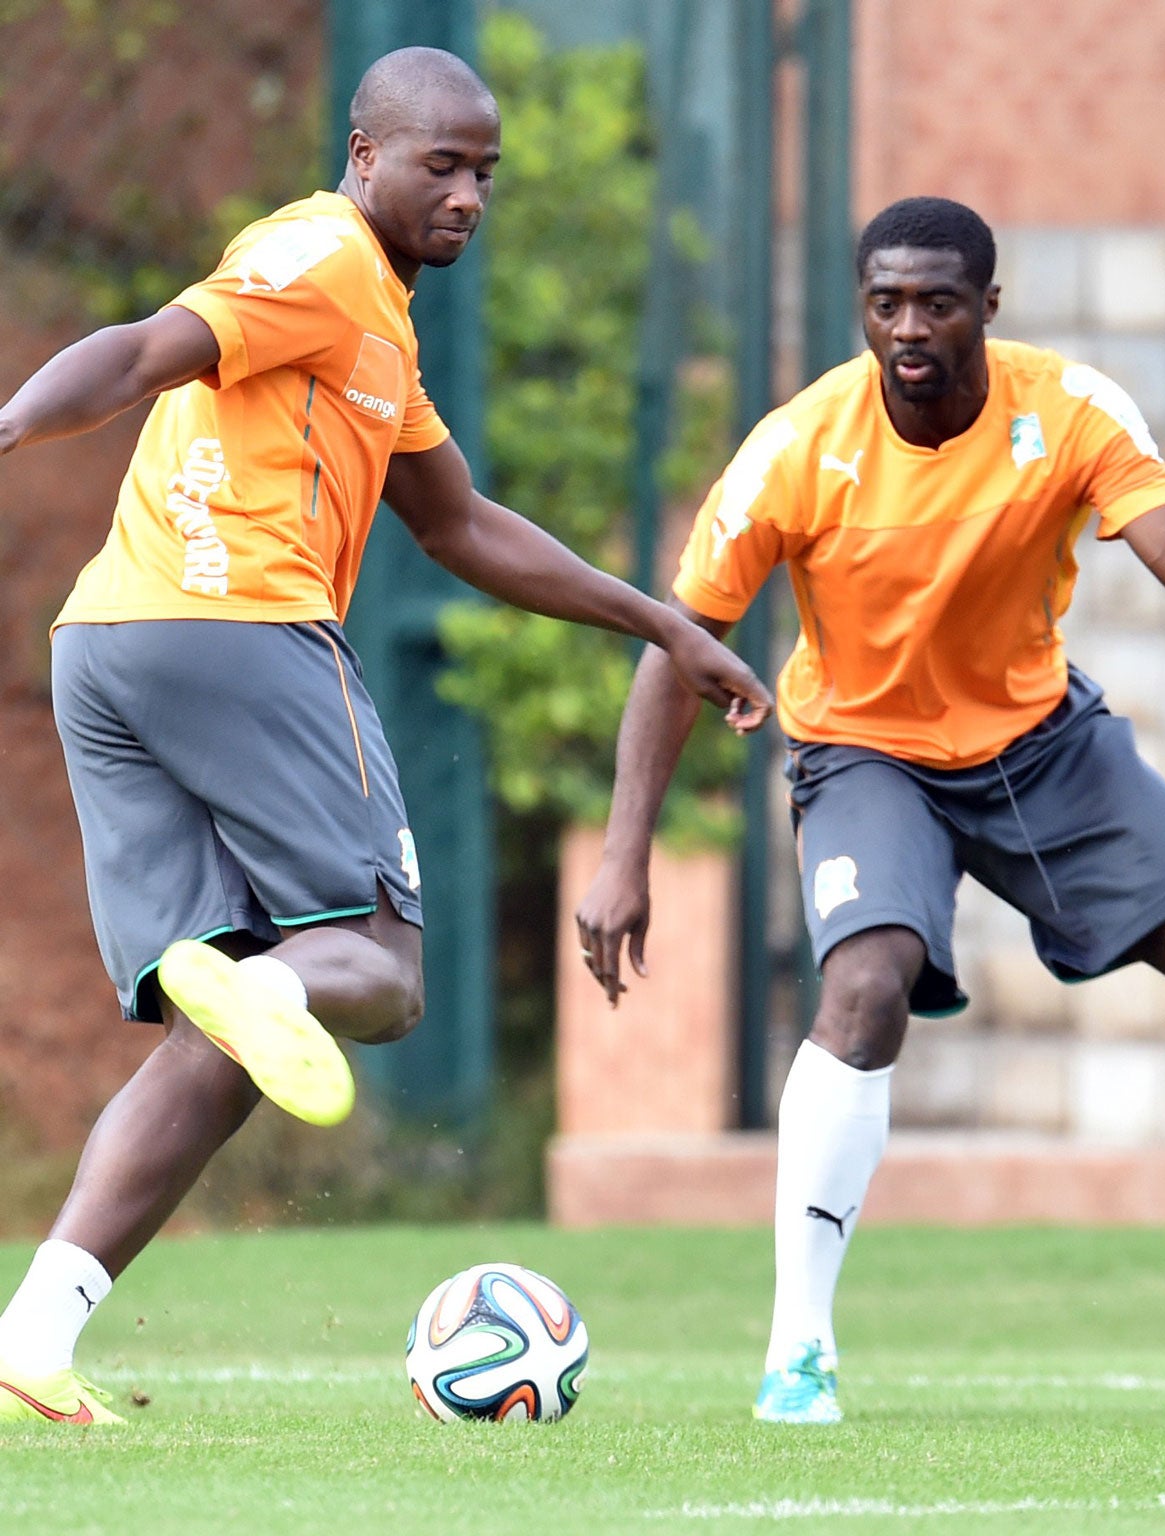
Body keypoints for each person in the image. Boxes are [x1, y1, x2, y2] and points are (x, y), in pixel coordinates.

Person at [576, 195, 1165, 1426]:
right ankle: (798, 1353)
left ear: (986, 309)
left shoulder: (1065, 409)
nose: (909, 325)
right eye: (885, 301)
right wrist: (623, 853)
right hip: (865, 757)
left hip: (1039, 747)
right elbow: (676, 644)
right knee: (862, 987)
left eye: (937, 302)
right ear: (862, 309)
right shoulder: (795, 448)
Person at [0, 47, 769, 1426]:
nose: (468, 193)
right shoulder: (321, 259)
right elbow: (139, 350)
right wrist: (7, 424)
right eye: (441, 164)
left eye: (486, 172)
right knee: (389, 976)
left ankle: (33, 1340)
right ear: (366, 154)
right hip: (235, 631)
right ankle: (279, 990)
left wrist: (663, 623)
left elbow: (461, 525)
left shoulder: (373, 334)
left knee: (218, 1025)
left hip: (104, 650)